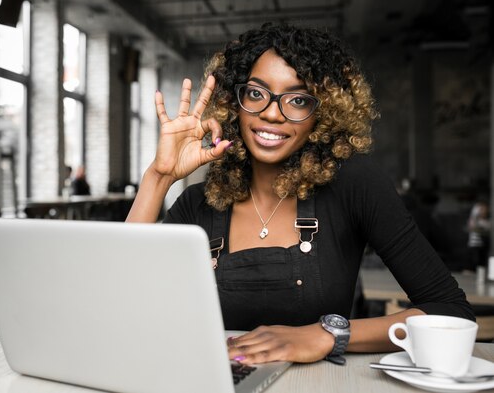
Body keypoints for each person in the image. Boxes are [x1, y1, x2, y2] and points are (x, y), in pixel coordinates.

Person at [126, 22, 473, 365]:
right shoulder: (198, 204)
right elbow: (122, 303)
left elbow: (451, 313)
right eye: (256, 93)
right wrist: (159, 177)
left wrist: (328, 334)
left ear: (322, 114)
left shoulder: (354, 185)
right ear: (235, 102)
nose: (272, 114)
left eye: (297, 99)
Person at [467, 199, 490, 273]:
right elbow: (472, 227)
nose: (483, 211)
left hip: (482, 245)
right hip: (474, 244)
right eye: (481, 209)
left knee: (481, 263)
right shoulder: (474, 219)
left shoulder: (486, 221)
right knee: (475, 261)